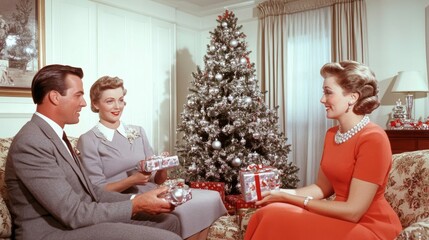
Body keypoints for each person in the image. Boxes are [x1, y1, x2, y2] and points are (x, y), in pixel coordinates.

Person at [5, 64, 182, 240]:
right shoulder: (32, 142)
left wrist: (139, 198)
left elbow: (93, 194)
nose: (83, 103)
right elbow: (73, 213)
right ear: (55, 97)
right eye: (78, 95)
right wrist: (136, 205)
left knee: (170, 221)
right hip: (54, 232)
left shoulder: (56, 135)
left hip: (75, 220)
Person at [244, 61, 402, 240]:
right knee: (270, 211)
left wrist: (287, 198)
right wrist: (278, 192)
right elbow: (321, 188)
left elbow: (353, 211)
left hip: (368, 226)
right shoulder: (332, 134)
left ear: (352, 97)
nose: (322, 99)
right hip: (338, 217)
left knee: (273, 216)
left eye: (328, 92)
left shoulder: (373, 138)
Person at [77, 76, 227, 240]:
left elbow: (157, 179)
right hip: (124, 202)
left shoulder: (138, 131)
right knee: (182, 212)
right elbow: (96, 191)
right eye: (110, 101)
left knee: (209, 199)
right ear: (96, 104)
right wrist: (132, 180)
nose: (117, 106)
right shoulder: (89, 140)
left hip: (154, 191)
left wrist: (162, 166)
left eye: (121, 100)